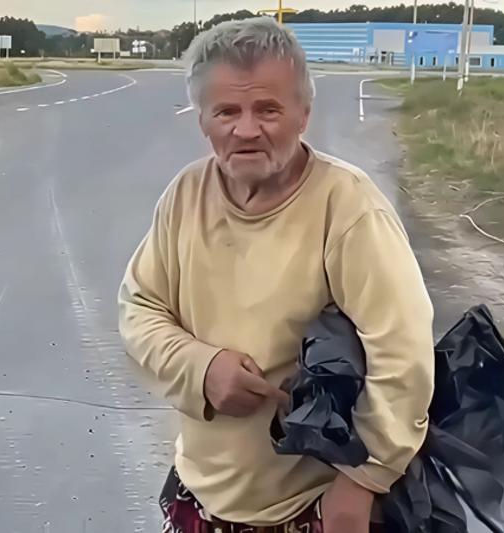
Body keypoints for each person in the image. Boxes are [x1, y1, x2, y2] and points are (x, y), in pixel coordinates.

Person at [118, 17, 435, 533]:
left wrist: (363, 480)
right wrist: (201, 369)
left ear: (303, 113)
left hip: (311, 508)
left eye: (268, 109)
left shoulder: (347, 207)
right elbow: (140, 307)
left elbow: (404, 356)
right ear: (202, 121)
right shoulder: (185, 195)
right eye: (227, 111)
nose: (246, 130)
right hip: (201, 494)